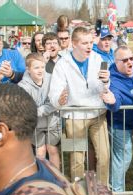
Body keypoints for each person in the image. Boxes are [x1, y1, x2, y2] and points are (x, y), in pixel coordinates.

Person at [49, 27, 110, 185]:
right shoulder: (62, 64)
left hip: (97, 114)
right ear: (74, 44)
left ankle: (103, 192)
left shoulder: (98, 60)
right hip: (74, 117)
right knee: (76, 158)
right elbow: (54, 93)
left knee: (104, 155)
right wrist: (59, 100)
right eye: (84, 43)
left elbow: (104, 89)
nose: (89, 46)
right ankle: (78, 193)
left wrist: (106, 82)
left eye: (91, 42)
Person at [101, 46, 133, 195]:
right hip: (119, 125)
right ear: (116, 62)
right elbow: (114, 99)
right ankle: (117, 192)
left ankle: (115, 187)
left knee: (122, 157)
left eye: (132, 58)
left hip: (131, 122)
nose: (130, 62)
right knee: (123, 158)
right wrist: (111, 101)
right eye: (125, 60)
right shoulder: (114, 81)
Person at [18, 53, 61, 169]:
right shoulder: (23, 86)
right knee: (40, 151)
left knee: (52, 149)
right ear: (28, 69)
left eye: (42, 67)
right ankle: (42, 178)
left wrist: (40, 109)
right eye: (36, 67)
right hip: (35, 125)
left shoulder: (51, 79)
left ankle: (56, 179)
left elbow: (54, 102)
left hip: (52, 121)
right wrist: (43, 109)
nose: (40, 70)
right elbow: (28, 109)